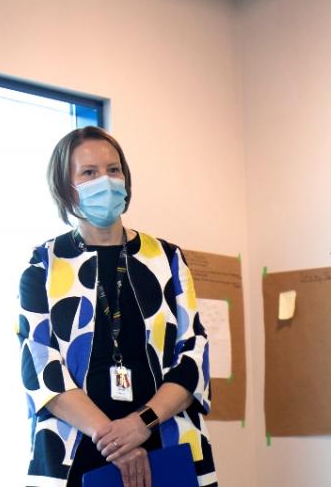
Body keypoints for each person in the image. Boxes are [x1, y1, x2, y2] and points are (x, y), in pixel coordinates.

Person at [17, 126, 216, 487]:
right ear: (65, 188)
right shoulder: (43, 265)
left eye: (113, 169)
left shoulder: (167, 259)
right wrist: (115, 439)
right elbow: (40, 366)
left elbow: (192, 356)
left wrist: (139, 425)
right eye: (89, 173)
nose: (105, 181)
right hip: (77, 451)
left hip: (164, 443)